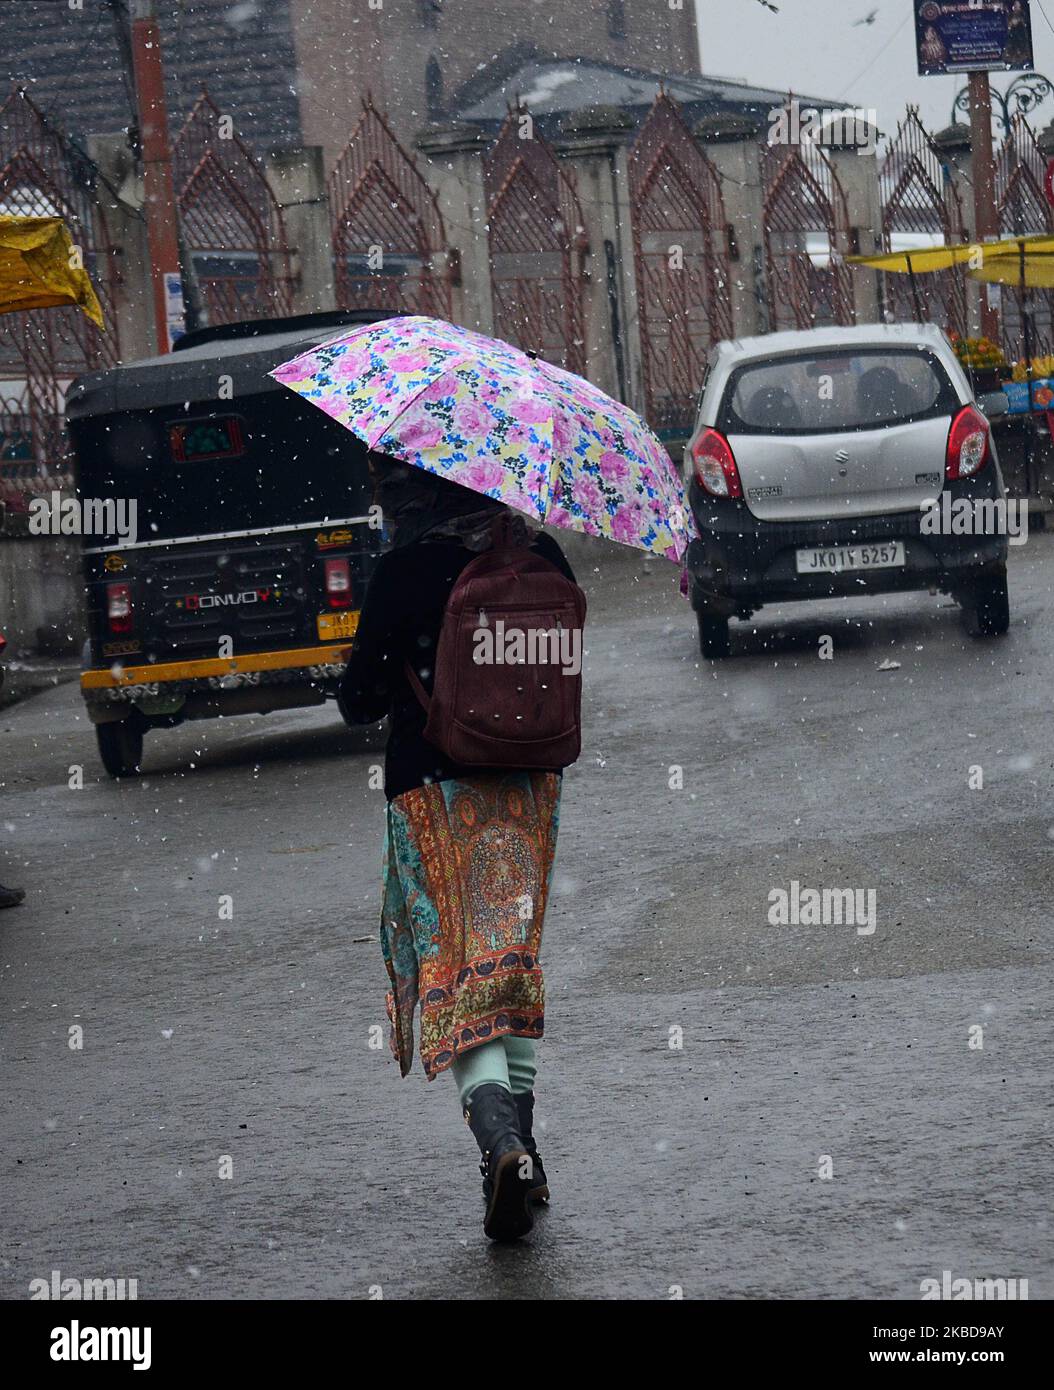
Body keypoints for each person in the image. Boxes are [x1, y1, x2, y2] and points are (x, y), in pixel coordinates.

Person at [338, 453, 577, 1242]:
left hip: (432, 788)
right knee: (507, 967)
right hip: (528, 790)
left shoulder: (408, 564)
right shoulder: (543, 553)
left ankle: (502, 1144)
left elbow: (360, 699)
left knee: (458, 975)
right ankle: (527, 1153)